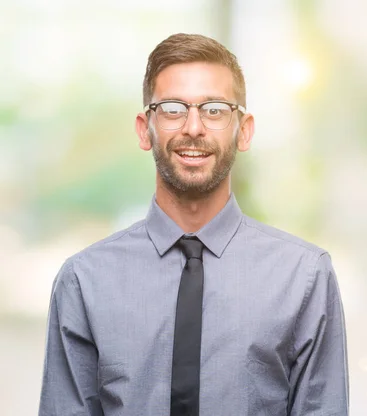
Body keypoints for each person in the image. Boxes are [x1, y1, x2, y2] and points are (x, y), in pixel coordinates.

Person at [38, 33, 349, 416]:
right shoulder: (84, 281)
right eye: (172, 108)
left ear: (244, 129)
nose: (193, 127)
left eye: (214, 109)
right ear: (143, 128)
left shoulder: (304, 277)